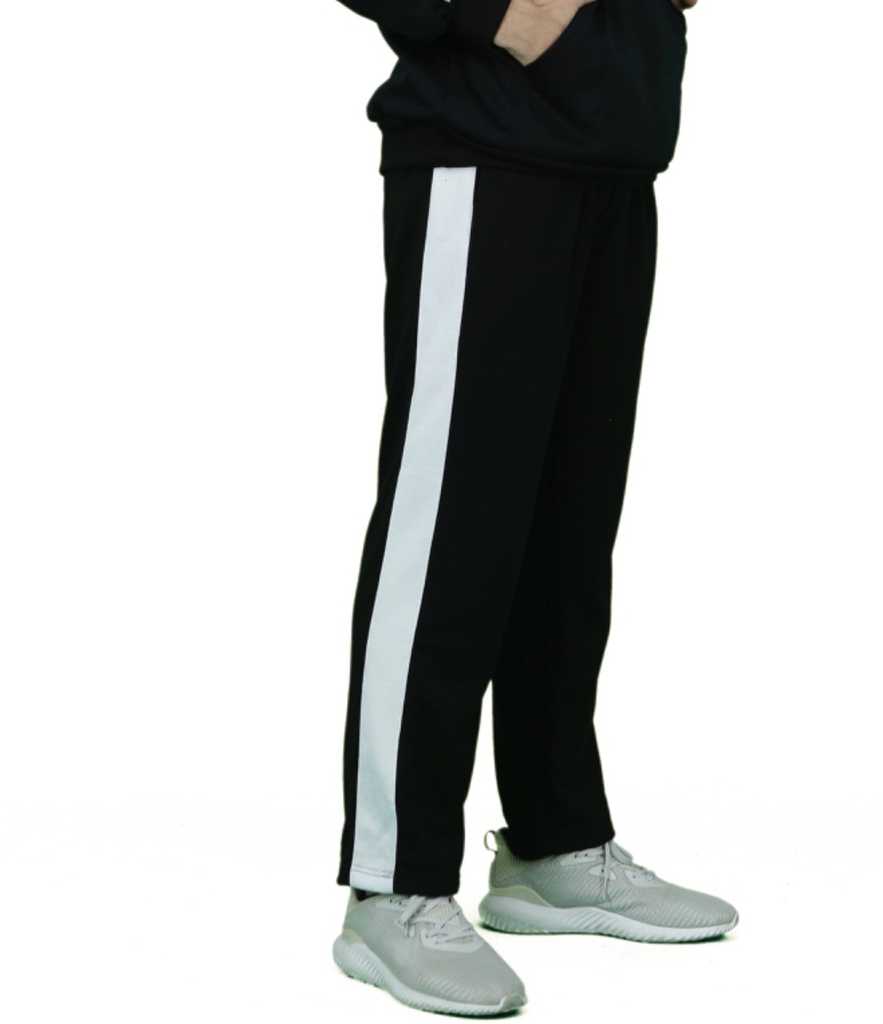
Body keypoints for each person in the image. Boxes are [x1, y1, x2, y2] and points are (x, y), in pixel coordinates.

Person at [330, 0, 738, 1013]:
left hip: (615, 147)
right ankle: (394, 884)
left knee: (566, 534)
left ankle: (553, 844)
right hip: (483, 144)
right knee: (448, 531)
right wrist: (493, 14)